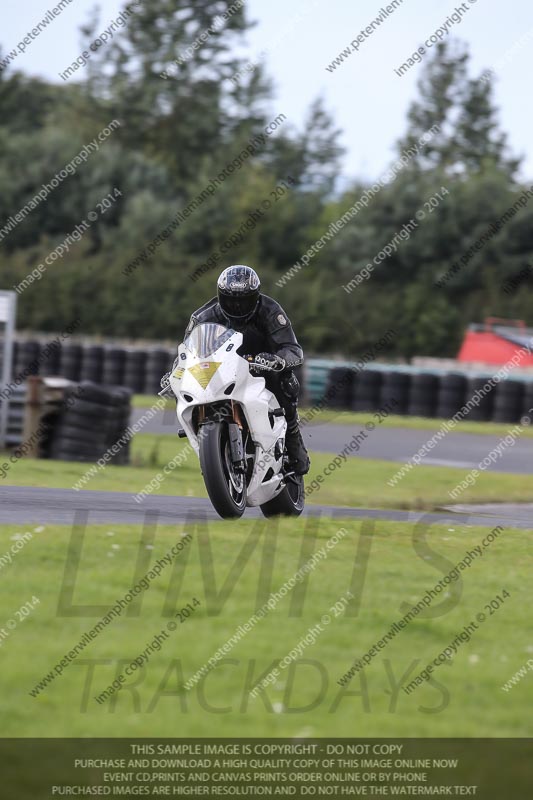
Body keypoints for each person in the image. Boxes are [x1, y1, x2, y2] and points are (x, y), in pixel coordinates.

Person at [174, 265, 310, 475]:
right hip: (222, 369)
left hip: (260, 365)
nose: (237, 306)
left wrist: (277, 360)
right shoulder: (203, 317)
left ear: (255, 297)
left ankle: (292, 436)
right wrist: (177, 371)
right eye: (231, 300)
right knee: (183, 389)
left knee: (285, 381)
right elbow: (187, 354)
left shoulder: (270, 310)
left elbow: (293, 349)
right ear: (221, 297)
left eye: (244, 300)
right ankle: (205, 445)